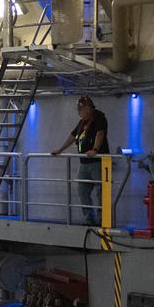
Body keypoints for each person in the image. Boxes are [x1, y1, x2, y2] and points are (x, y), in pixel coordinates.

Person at [51, 95, 110, 226]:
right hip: (85, 163)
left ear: (89, 108)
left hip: (98, 162)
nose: (78, 111)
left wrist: (95, 149)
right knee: (82, 191)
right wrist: (60, 149)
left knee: (102, 192)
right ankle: (90, 220)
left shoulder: (99, 117)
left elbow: (100, 133)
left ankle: (103, 220)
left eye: (81, 109)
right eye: (78, 109)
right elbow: (73, 136)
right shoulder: (82, 122)